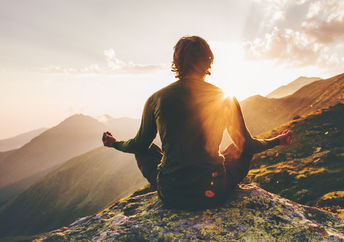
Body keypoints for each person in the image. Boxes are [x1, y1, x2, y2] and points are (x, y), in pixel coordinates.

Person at [102, 36, 292, 209]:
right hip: (214, 193)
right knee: (239, 148)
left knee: (146, 148)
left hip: (171, 194)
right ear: (209, 60)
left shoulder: (156, 99)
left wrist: (115, 143)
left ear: (176, 62)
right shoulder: (225, 98)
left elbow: (138, 144)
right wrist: (277, 140)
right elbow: (248, 145)